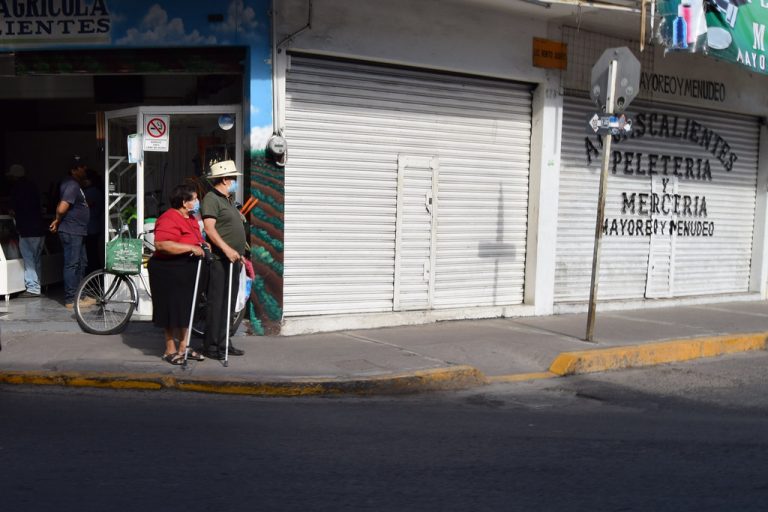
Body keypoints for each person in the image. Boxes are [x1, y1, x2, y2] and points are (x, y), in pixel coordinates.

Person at [148, 184, 208, 365]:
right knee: (170, 309)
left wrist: (203, 245)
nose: (197, 202)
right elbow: (162, 244)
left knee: (186, 309)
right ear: (184, 202)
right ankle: (170, 349)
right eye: (195, 199)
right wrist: (190, 247)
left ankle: (184, 346)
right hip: (168, 270)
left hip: (187, 270)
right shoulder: (169, 218)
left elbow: (197, 238)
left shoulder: (190, 218)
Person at [200, 160, 247, 360]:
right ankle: (211, 346)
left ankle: (224, 342)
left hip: (234, 259)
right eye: (233, 179)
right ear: (226, 180)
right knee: (217, 303)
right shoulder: (212, 198)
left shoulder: (228, 199)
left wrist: (240, 253)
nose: (235, 182)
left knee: (229, 304)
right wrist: (227, 249)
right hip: (221, 259)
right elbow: (209, 229)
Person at [49, 157, 90, 308]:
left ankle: (80, 295)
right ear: (73, 170)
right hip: (72, 231)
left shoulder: (74, 185)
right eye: (81, 167)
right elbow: (61, 207)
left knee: (81, 263)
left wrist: (58, 220)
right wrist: (58, 219)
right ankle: (71, 299)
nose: (84, 169)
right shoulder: (71, 184)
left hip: (78, 231)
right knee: (72, 264)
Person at [6, 164, 46, 298]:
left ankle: (33, 288)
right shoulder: (33, 186)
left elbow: (12, 210)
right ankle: (38, 285)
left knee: (29, 260)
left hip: (27, 229)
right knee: (36, 259)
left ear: (14, 176)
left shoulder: (16, 189)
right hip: (40, 229)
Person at [83, 168, 104, 274]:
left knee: (91, 254)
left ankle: (92, 275)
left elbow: (85, 206)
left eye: (86, 179)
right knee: (93, 253)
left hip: (90, 227)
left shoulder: (91, 192)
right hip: (94, 227)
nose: (84, 181)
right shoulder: (96, 191)